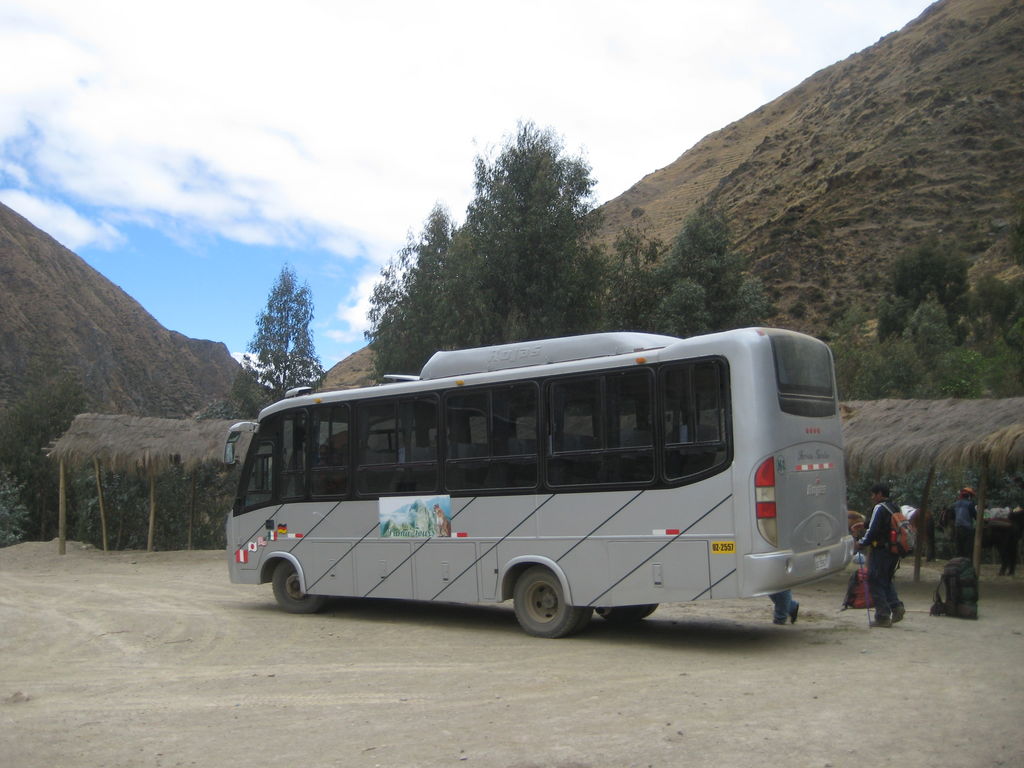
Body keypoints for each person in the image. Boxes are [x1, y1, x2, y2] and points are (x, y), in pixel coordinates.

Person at [855, 482, 905, 628]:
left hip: (881, 550)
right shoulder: (895, 507)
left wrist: (861, 542)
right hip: (894, 550)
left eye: (873, 494)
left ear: (879, 494)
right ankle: (896, 607)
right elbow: (881, 525)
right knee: (886, 579)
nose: (872, 497)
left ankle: (882, 616)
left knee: (875, 580)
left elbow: (874, 530)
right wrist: (863, 525)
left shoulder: (879, 507)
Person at [952, 487, 977, 558]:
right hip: (967, 529)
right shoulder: (970, 504)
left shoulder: (955, 504)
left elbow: (953, 516)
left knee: (959, 549)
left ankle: (958, 564)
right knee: (968, 550)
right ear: (969, 496)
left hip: (957, 528)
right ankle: (967, 565)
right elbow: (976, 516)